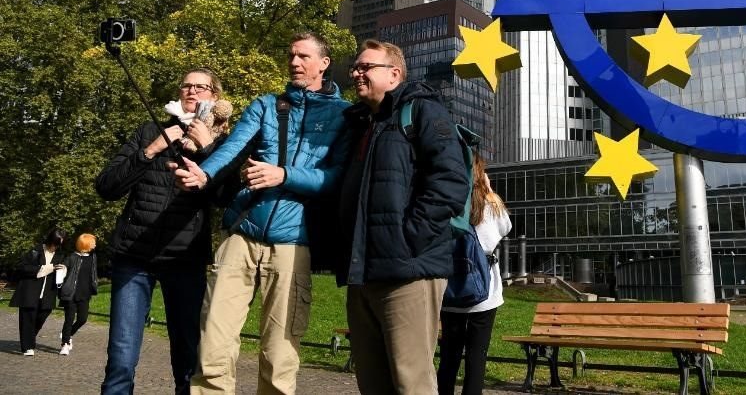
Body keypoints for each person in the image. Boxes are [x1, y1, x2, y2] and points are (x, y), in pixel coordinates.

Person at [176, 32, 349, 395]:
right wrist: (205, 173)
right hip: (242, 230)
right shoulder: (267, 105)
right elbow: (234, 148)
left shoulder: (344, 114)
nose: (294, 62)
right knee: (213, 345)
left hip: (293, 242)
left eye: (303, 56)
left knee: (279, 354)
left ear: (324, 63)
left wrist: (284, 175)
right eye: (291, 56)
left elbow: (336, 179)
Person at [335, 39, 470, 393]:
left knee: (412, 383)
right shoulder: (359, 123)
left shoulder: (423, 111)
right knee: (372, 383)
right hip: (364, 272)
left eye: (366, 67)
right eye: (355, 67)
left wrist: (408, 239)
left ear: (394, 74)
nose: (357, 73)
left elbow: (451, 181)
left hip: (409, 271)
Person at [95, 68, 230, 394]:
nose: (192, 91)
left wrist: (208, 148)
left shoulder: (223, 142)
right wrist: (152, 149)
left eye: (201, 87)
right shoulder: (149, 131)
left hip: (185, 259)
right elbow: (106, 186)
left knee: (187, 357)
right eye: (186, 85)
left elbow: (229, 198)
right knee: (121, 358)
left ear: (215, 96)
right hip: (133, 257)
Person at [437, 157, 512, 394]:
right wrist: (489, 191)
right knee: (476, 357)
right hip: (484, 295)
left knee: (448, 357)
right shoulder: (489, 205)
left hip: (450, 291)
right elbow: (506, 228)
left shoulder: (446, 200)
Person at [9, 227, 66, 356]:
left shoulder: (60, 255)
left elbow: (59, 273)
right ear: (50, 240)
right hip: (30, 291)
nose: (55, 247)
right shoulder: (35, 251)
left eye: (59, 244)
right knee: (28, 318)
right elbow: (22, 267)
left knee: (43, 314)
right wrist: (44, 268)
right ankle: (27, 347)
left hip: (48, 293)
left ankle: (28, 337)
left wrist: (62, 269)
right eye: (55, 244)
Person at [58, 232, 100, 355]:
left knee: (82, 319)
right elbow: (64, 268)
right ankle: (65, 344)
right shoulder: (72, 257)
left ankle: (68, 334)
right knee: (69, 319)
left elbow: (93, 273)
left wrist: (94, 285)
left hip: (85, 294)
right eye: (93, 242)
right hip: (71, 293)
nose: (95, 244)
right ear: (86, 244)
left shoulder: (93, 257)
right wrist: (62, 268)